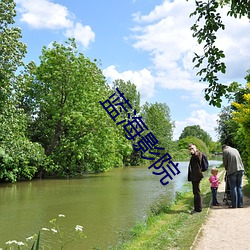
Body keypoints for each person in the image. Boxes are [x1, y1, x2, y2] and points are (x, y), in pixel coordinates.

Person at [188, 143, 204, 214]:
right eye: (190, 149)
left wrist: (194, 152)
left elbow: (198, 158)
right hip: (195, 176)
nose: (191, 150)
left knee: (196, 192)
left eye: (192, 148)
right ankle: (197, 208)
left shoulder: (197, 154)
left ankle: (198, 209)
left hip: (196, 176)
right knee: (196, 192)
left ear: (195, 148)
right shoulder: (194, 155)